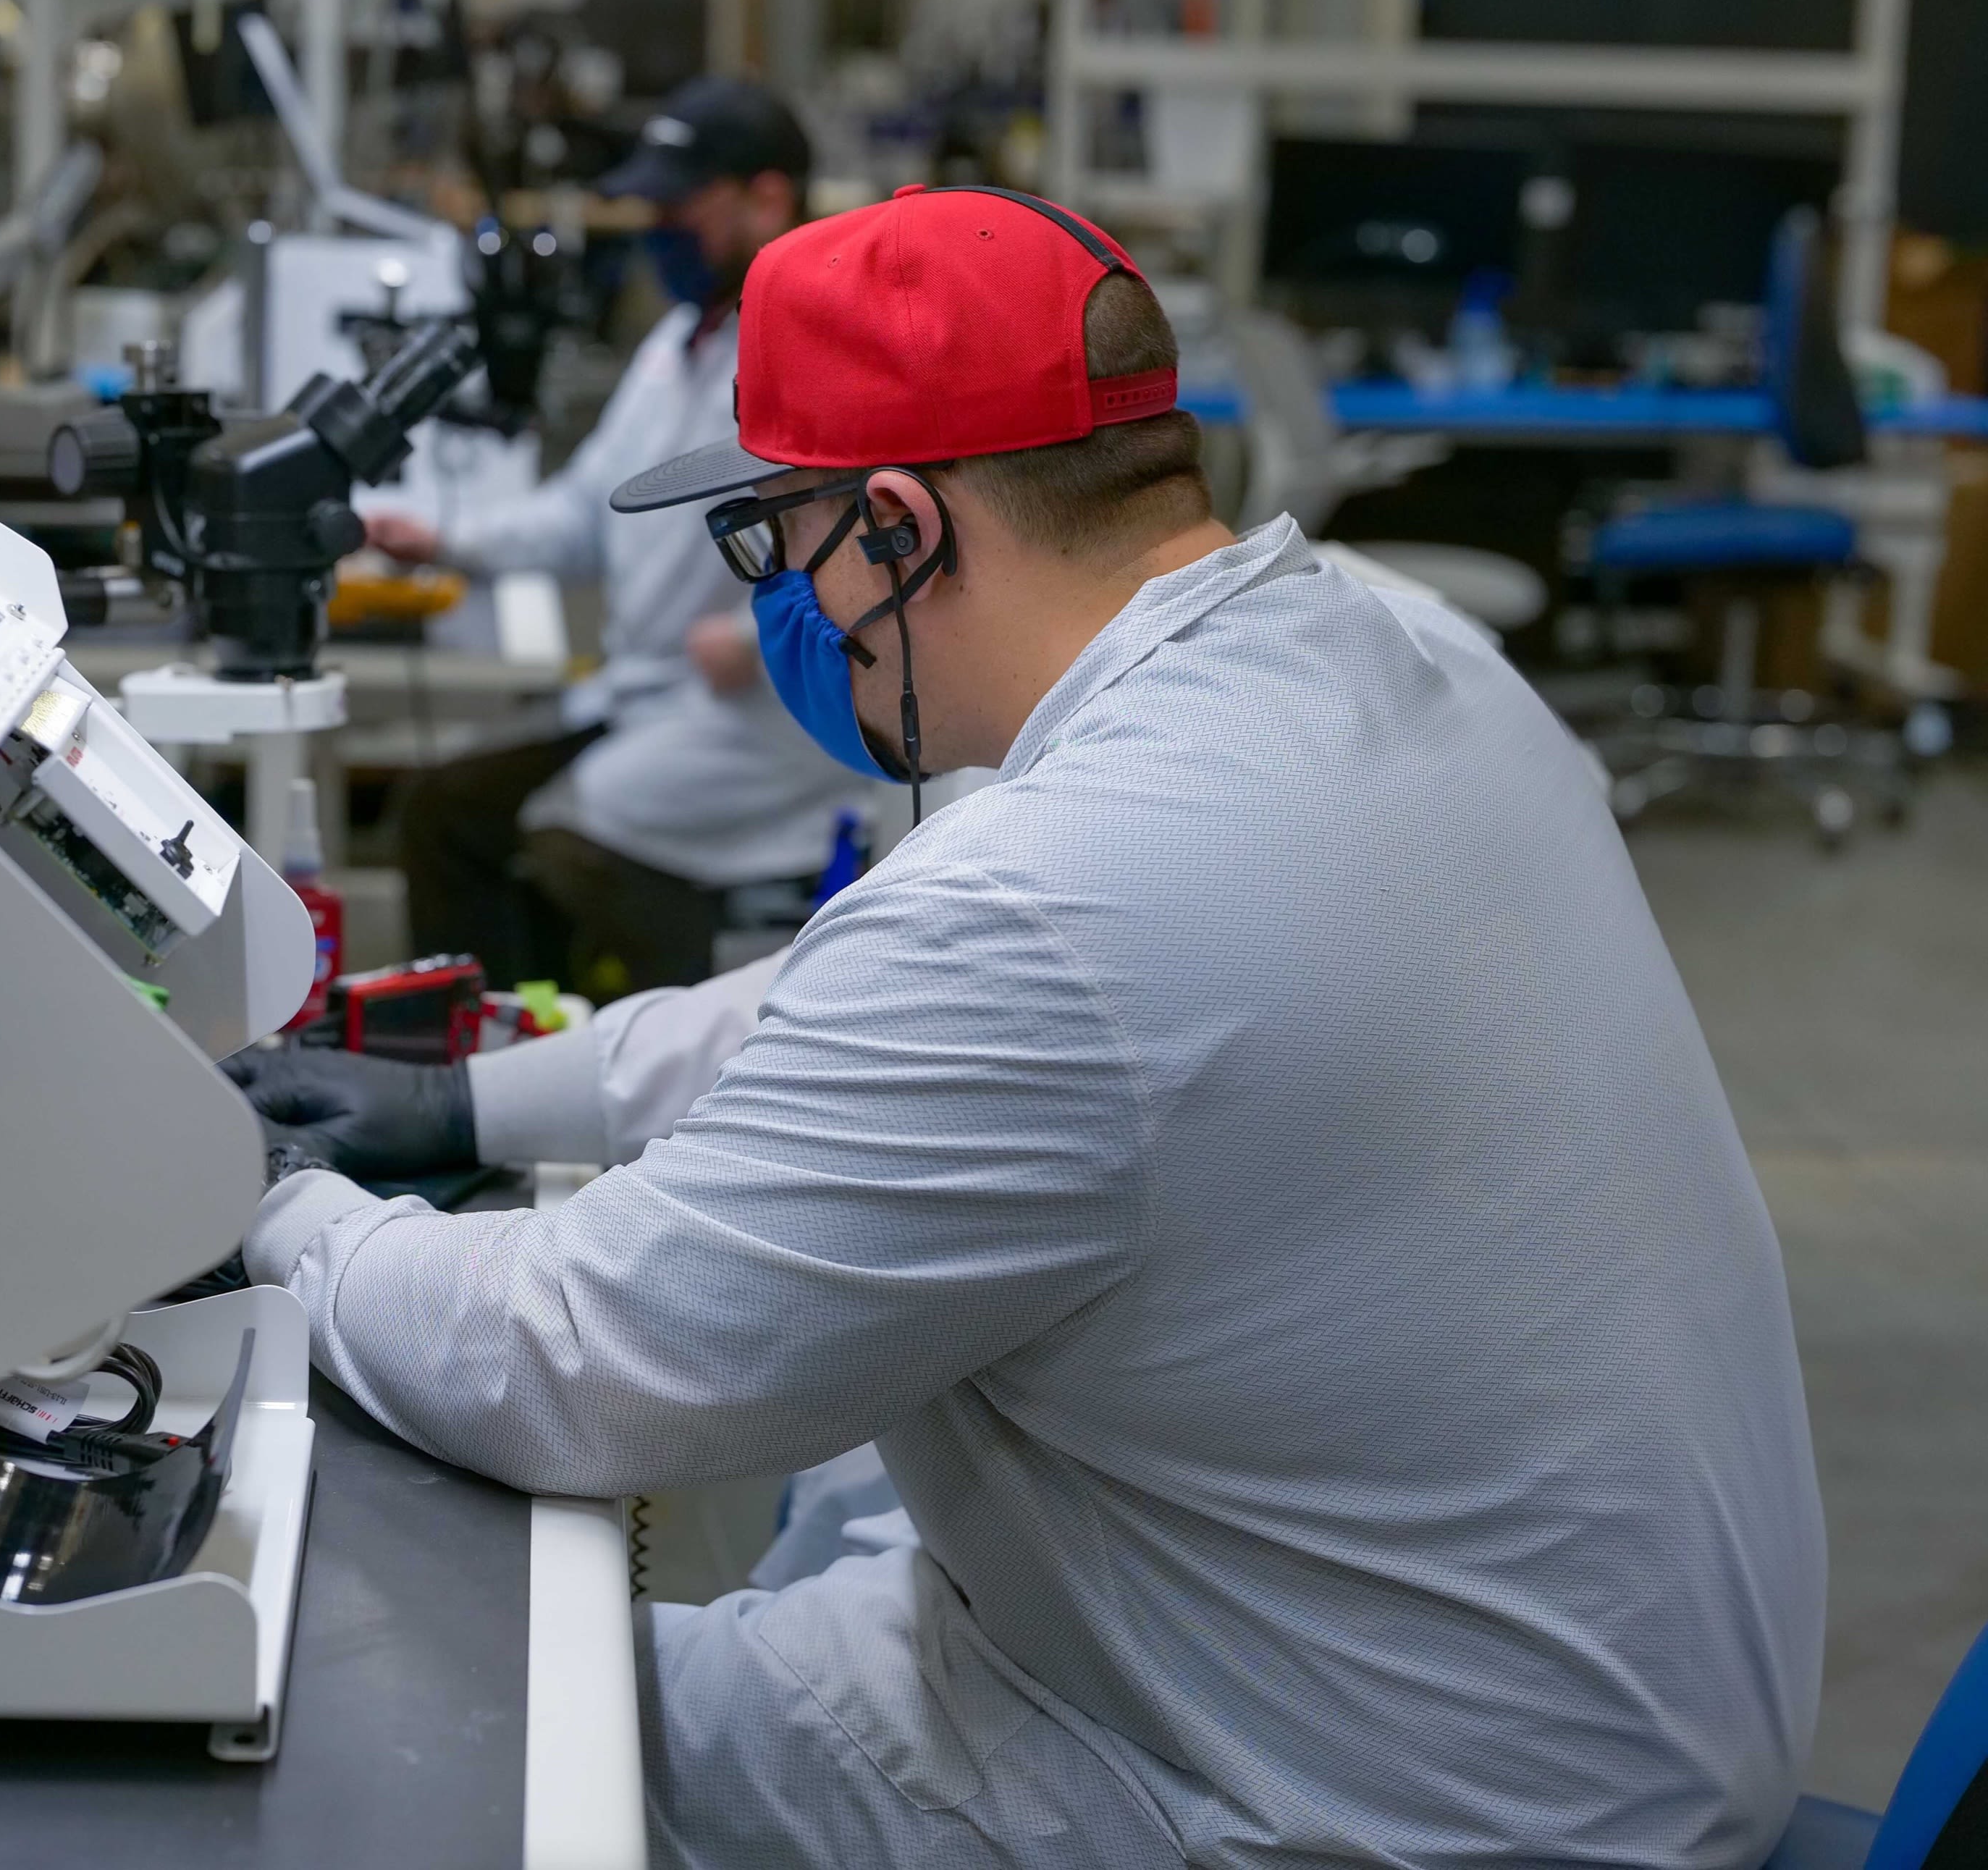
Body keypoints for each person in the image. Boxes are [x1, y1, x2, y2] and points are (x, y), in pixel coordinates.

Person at [229, 185, 1826, 1869]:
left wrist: (273, 1211)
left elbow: (585, 1365)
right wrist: (475, 1104)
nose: (780, 597)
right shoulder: (1388, 653)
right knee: (714, 1604)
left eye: (776, 535)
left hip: (1379, 1811)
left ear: (902, 529)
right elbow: (880, 1005)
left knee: (457, 1729)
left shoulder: (1057, 896)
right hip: (1557, 1711)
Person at [365, 77, 874, 996]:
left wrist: (765, 636)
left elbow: (875, 527)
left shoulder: (824, 346)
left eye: (681, 206)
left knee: (576, 833)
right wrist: (439, 538)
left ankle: (647, 1055)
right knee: (443, 811)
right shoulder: (674, 345)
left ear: (768, 197)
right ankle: (479, 1068)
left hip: (760, 719)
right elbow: (584, 514)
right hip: (647, 693)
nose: (659, 227)